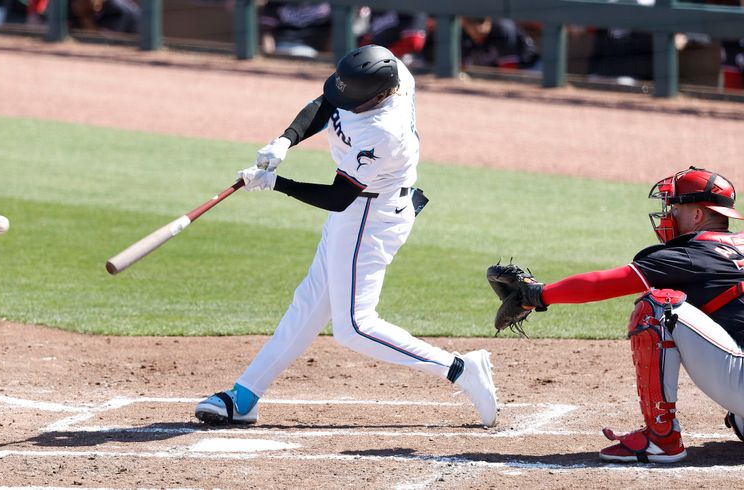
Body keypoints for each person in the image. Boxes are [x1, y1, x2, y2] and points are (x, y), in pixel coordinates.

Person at [195, 45, 498, 427]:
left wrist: (276, 183)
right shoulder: (388, 73)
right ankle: (244, 396)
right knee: (309, 304)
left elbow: (339, 197)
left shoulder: (383, 132)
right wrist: (285, 140)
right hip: (360, 208)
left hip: (372, 216)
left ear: (377, 95)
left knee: (355, 326)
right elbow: (326, 103)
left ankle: (459, 369)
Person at [494, 166, 744, 463]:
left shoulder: (690, 255)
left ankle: (661, 439)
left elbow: (606, 283)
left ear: (698, 215)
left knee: (658, 307)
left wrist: (538, 295)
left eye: (674, 207)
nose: (668, 214)